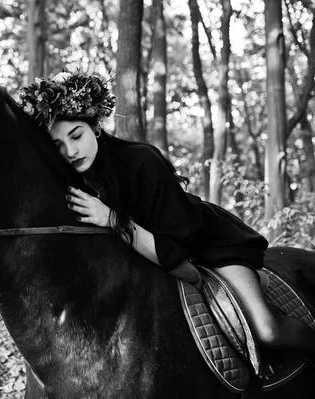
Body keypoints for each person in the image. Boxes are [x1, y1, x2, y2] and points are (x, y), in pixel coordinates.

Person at [18, 71, 315, 364]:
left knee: (266, 330)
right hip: (149, 259)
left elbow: (177, 254)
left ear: (95, 127)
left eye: (76, 135)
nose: (70, 151)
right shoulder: (72, 178)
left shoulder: (143, 161)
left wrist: (110, 218)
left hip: (205, 247)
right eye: (58, 146)